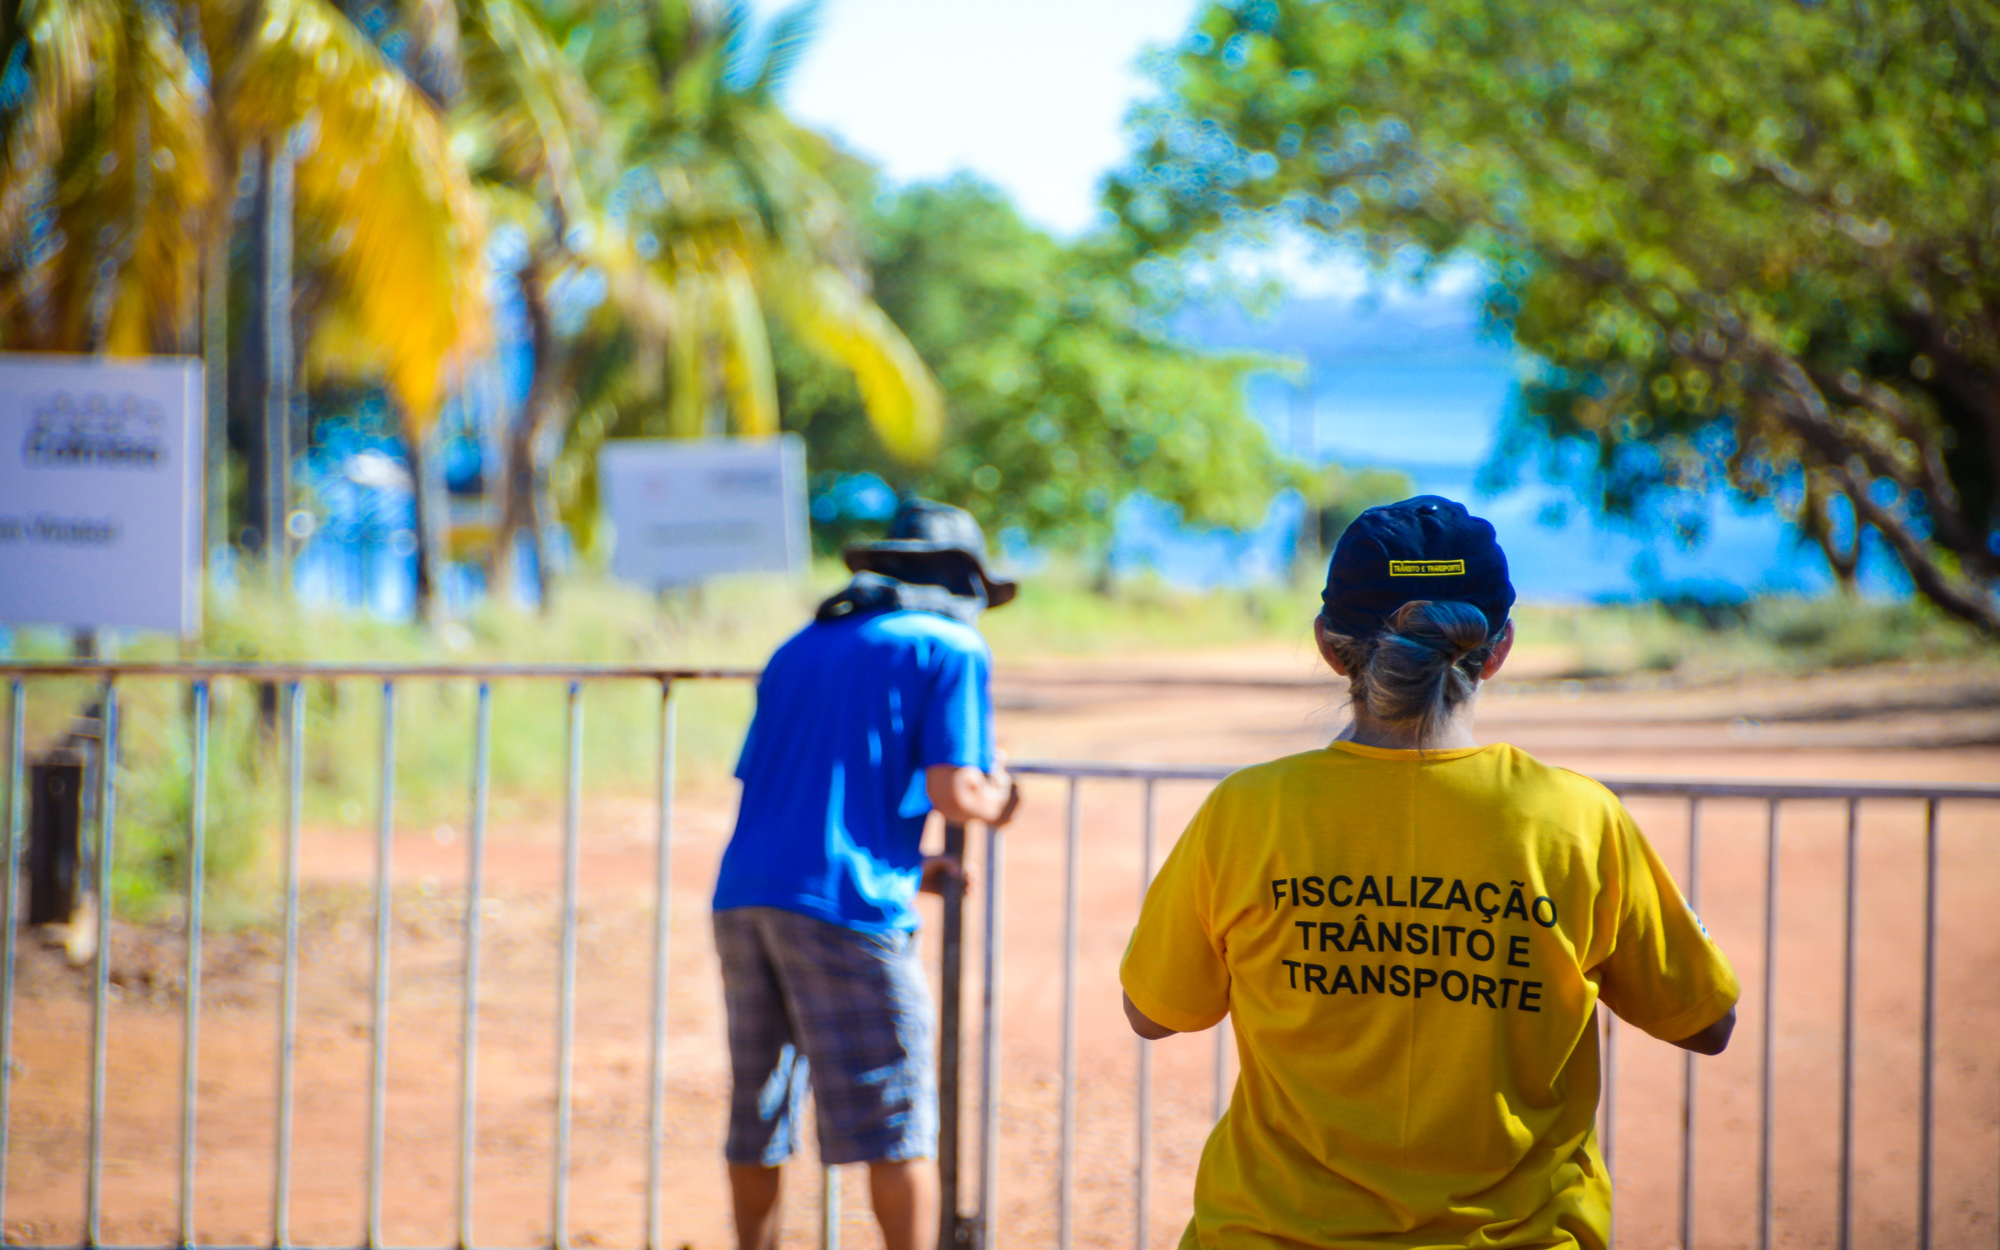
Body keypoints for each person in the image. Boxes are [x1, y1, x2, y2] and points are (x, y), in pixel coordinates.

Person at [1120, 495, 1738, 1250]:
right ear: (1499, 649)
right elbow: (1706, 1023)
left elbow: (1155, 1012)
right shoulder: (1577, 820)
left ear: (1329, 646)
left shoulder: (1247, 811)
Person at [712, 498, 1023, 1250]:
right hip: (847, 911)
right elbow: (957, 790)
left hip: (746, 895)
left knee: (759, 1113)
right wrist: (1002, 798)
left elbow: (798, 793)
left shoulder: (799, 646)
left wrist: (911, 867)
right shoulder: (950, 646)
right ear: (964, 584)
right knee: (897, 1121)